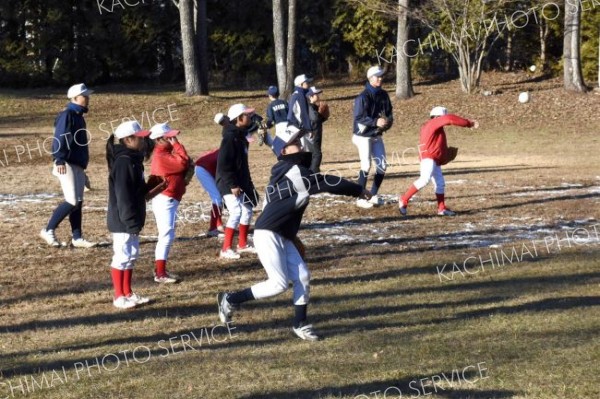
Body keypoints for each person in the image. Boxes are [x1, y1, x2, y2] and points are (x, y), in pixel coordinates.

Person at [217, 128, 372, 341]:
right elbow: (327, 182)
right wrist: (359, 190)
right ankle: (231, 298)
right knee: (278, 284)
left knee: (303, 276)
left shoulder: (286, 169)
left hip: (280, 234)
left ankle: (300, 324)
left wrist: (291, 235)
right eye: (294, 142)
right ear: (284, 150)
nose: (300, 143)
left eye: (298, 139)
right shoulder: (294, 171)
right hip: (268, 234)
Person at [40, 83, 96, 248]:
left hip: (76, 163)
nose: (87, 98)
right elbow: (60, 137)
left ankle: (77, 237)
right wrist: (59, 158)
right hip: (66, 162)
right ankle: (48, 229)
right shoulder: (68, 114)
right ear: (74, 98)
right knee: (71, 200)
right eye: (84, 96)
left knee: (78, 201)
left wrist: (83, 168)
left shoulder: (78, 116)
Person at [398, 106, 479, 216]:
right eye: (442, 117)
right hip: (428, 157)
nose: (443, 120)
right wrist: (469, 123)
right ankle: (404, 199)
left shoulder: (435, 128)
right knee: (424, 179)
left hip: (433, 159)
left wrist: (443, 156)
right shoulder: (433, 123)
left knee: (440, 183)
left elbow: (436, 145)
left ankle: (441, 208)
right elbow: (450, 118)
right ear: (437, 117)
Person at [106, 120, 152, 309]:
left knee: (131, 255)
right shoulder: (124, 162)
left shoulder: (133, 160)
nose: (143, 141)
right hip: (123, 219)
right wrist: (130, 220)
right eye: (139, 137)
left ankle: (127, 292)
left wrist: (155, 187)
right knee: (122, 256)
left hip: (131, 217)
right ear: (128, 140)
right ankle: (119, 296)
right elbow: (123, 194)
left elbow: (137, 191)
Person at [216, 104, 259, 260]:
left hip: (240, 181)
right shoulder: (230, 138)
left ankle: (242, 244)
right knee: (236, 212)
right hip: (228, 182)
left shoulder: (241, 135)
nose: (250, 117)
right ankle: (226, 248)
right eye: (247, 115)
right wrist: (233, 185)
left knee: (247, 210)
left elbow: (242, 164)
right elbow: (223, 166)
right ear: (239, 119)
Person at [149, 122, 191, 284]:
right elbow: (183, 162)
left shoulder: (164, 152)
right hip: (165, 199)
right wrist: (178, 146)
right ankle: (160, 273)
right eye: (169, 137)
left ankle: (161, 270)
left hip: (169, 198)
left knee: (167, 234)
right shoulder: (161, 155)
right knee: (166, 234)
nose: (174, 139)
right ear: (159, 140)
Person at [352, 66, 393, 209]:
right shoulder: (363, 96)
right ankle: (360, 198)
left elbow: (388, 113)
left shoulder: (384, 95)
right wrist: (376, 122)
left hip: (375, 134)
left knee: (382, 166)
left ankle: (372, 195)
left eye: (381, 76)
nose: (380, 78)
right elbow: (358, 117)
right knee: (366, 165)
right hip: (362, 135)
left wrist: (387, 123)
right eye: (377, 76)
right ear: (370, 79)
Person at [194, 113, 228, 238]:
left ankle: (218, 224)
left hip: (208, 167)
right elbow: (222, 172)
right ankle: (212, 228)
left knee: (220, 196)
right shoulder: (228, 153)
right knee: (217, 197)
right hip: (203, 169)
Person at [305, 86, 329, 173]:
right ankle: (314, 173)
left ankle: (313, 171)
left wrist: (323, 117)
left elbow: (318, 121)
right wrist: (320, 115)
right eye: (316, 94)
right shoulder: (309, 107)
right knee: (317, 154)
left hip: (317, 133)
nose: (318, 96)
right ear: (310, 96)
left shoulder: (314, 107)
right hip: (313, 134)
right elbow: (314, 119)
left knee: (315, 154)